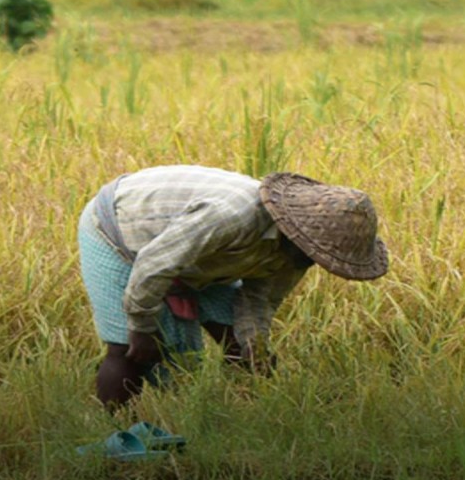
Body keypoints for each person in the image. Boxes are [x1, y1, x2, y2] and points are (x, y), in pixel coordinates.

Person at [78, 165, 389, 409]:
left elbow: (259, 302)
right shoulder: (232, 217)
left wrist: (258, 350)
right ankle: (117, 434)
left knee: (242, 345)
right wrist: (141, 327)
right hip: (121, 232)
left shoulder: (296, 255)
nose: (316, 260)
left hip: (198, 256)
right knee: (129, 349)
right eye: (316, 252)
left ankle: (233, 415)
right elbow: (154, 265)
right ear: (295, 232)